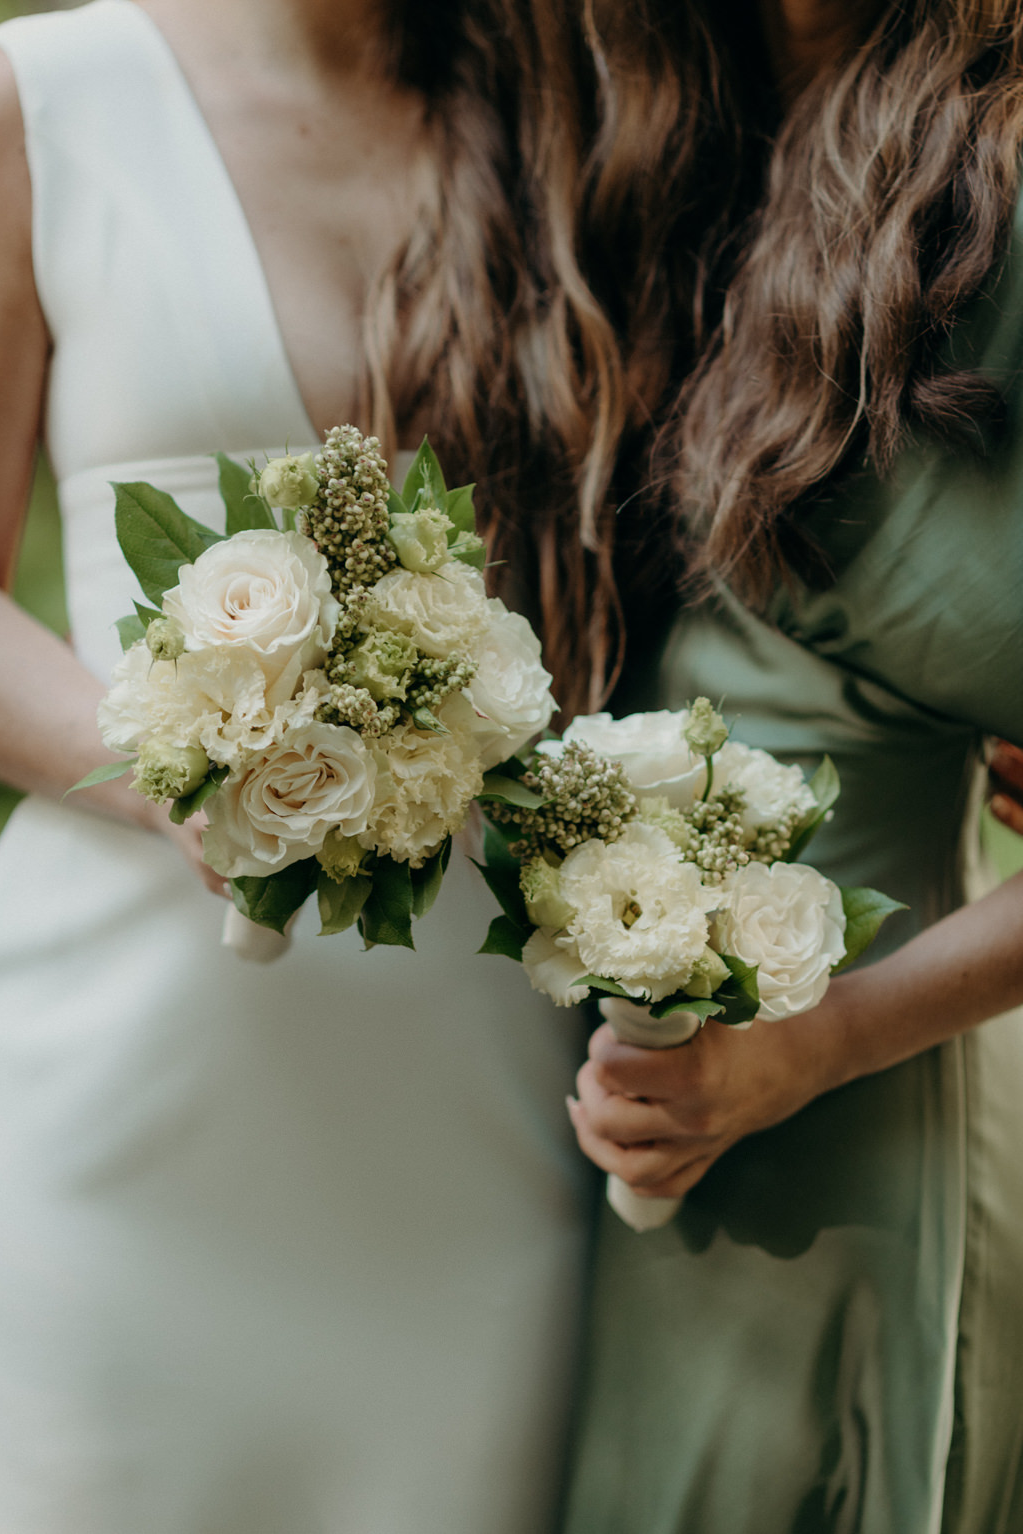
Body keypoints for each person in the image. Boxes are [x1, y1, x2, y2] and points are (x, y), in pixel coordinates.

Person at [0, 2, 609, 1529]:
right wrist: (174, 768)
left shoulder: (575, 112)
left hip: (468, 1095)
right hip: (128, 1079)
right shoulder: (45, 95)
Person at [562, 2, 1023, 1530]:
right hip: (564, 1104)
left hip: (849, 1085)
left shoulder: (1003, 170)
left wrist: (820, 1045)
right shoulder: (628, 122)